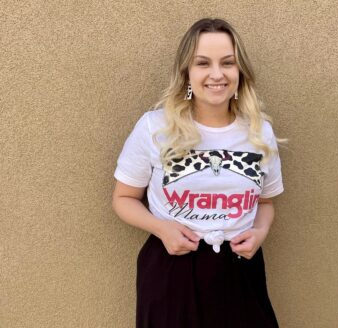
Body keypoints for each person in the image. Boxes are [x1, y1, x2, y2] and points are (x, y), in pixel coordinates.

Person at [112, 18, 284, 328]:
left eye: (227, 63)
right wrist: (162, 228)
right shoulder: (155, 127)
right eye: (203, 63)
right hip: (172, 269)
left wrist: (259, 232)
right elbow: (123, 198)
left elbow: (267, 203)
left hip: (239, 270)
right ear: (187, 73)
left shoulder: (260, 133)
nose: (217, 74)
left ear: (239, 71)